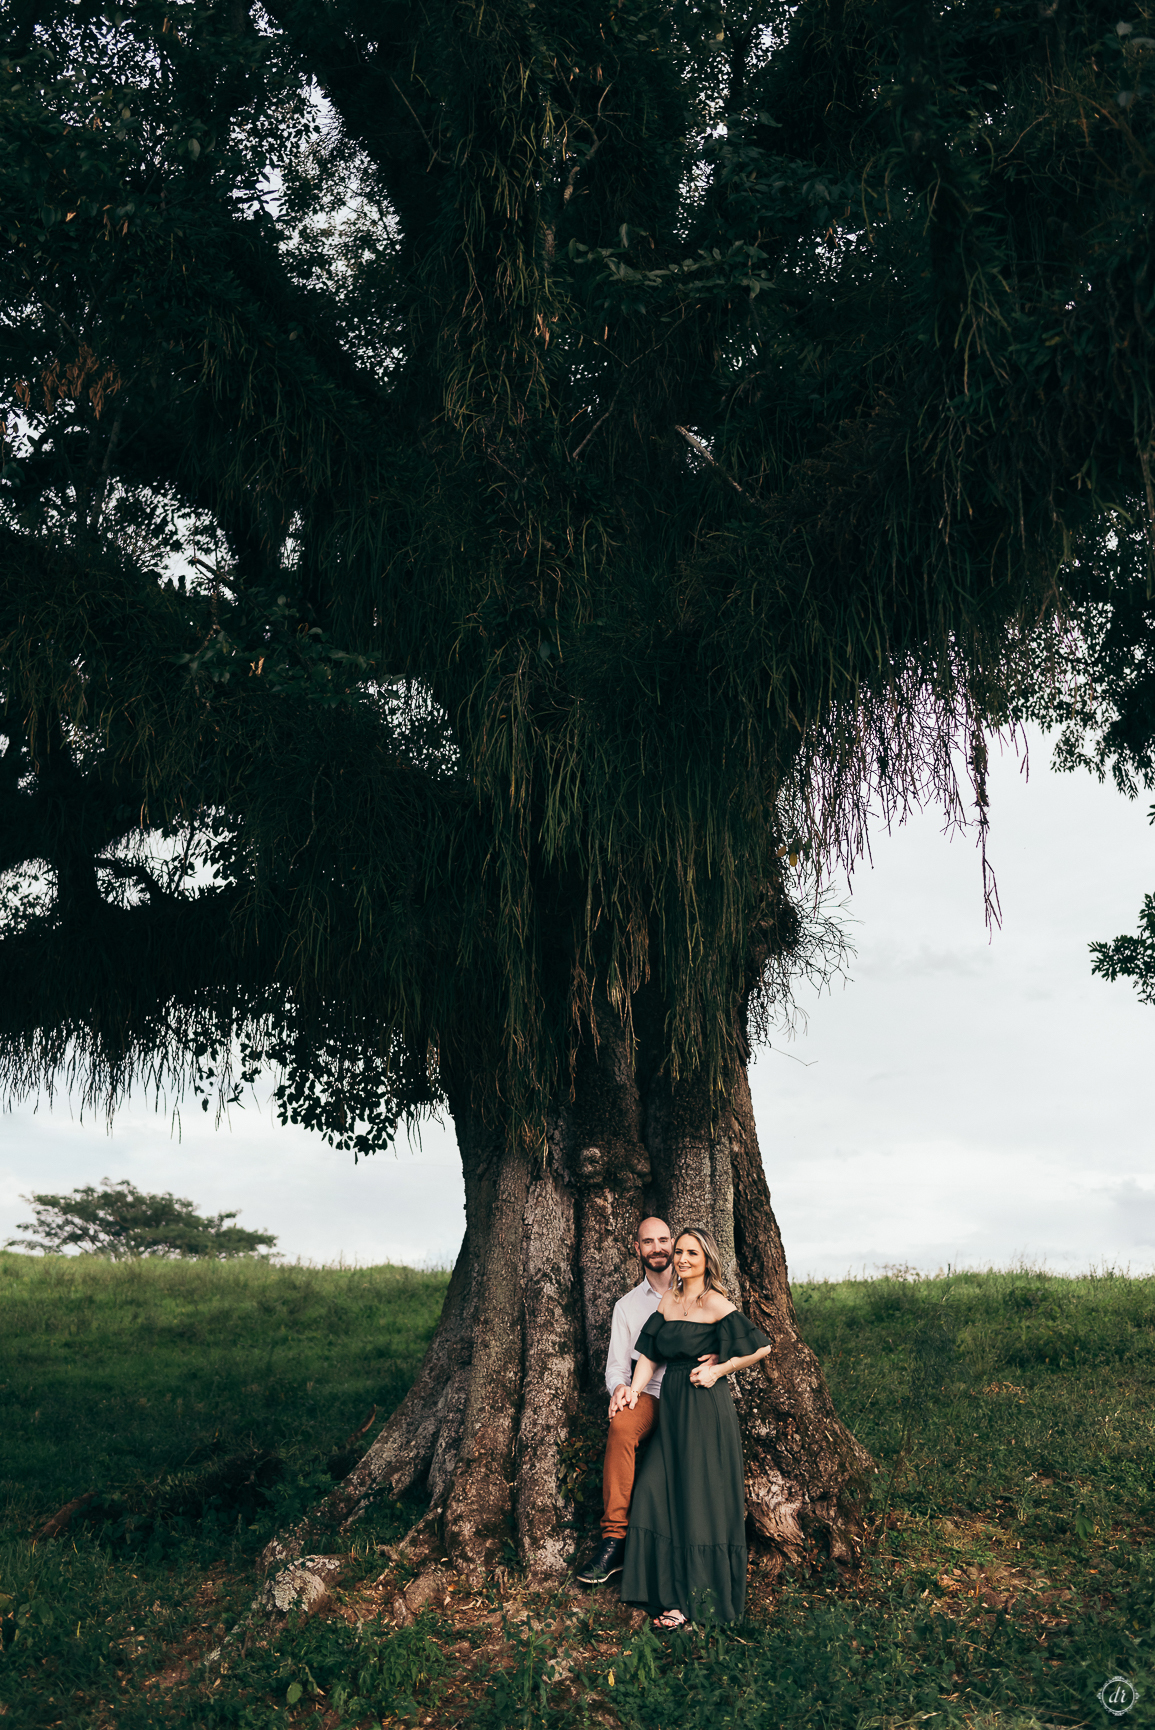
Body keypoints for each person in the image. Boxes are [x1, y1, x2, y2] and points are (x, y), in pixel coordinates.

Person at [619, 1225, 772, 1629]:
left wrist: (720, 1369)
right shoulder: (669, 1299)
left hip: (705, 1407)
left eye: (692, 1253)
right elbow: (649, 1354)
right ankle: (665, 1592)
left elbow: (762, 1346)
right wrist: (634, 1391)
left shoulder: (715, 1302)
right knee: (654, 1490)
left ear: (707, 1260)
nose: (683, 1259)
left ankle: (694, 1601)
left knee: (698, 1499)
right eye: (680, 1252)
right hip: (672, 1408)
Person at [576, 1217, 718, 1587]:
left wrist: (719, 1355)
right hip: (650, 1394)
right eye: (648, 1241)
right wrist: (619, 1389)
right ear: (636, 1248)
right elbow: (616, 1366)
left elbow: (730, 1334)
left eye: (663, 1240)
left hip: (692, 1394)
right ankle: (614, 1540)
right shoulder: (627, 1306)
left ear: (674, 1244)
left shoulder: (699, 1291)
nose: (657, 1248)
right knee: (622, 1424)